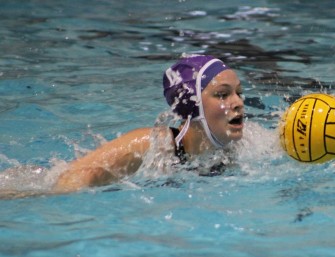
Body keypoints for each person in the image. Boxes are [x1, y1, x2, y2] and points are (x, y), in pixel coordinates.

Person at [53, 55, 245, 193]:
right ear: (192, 105)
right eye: (222, 94)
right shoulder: (151, 145)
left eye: (239, 92)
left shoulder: (242, 144)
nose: (238, 102)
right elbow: (70, 178)